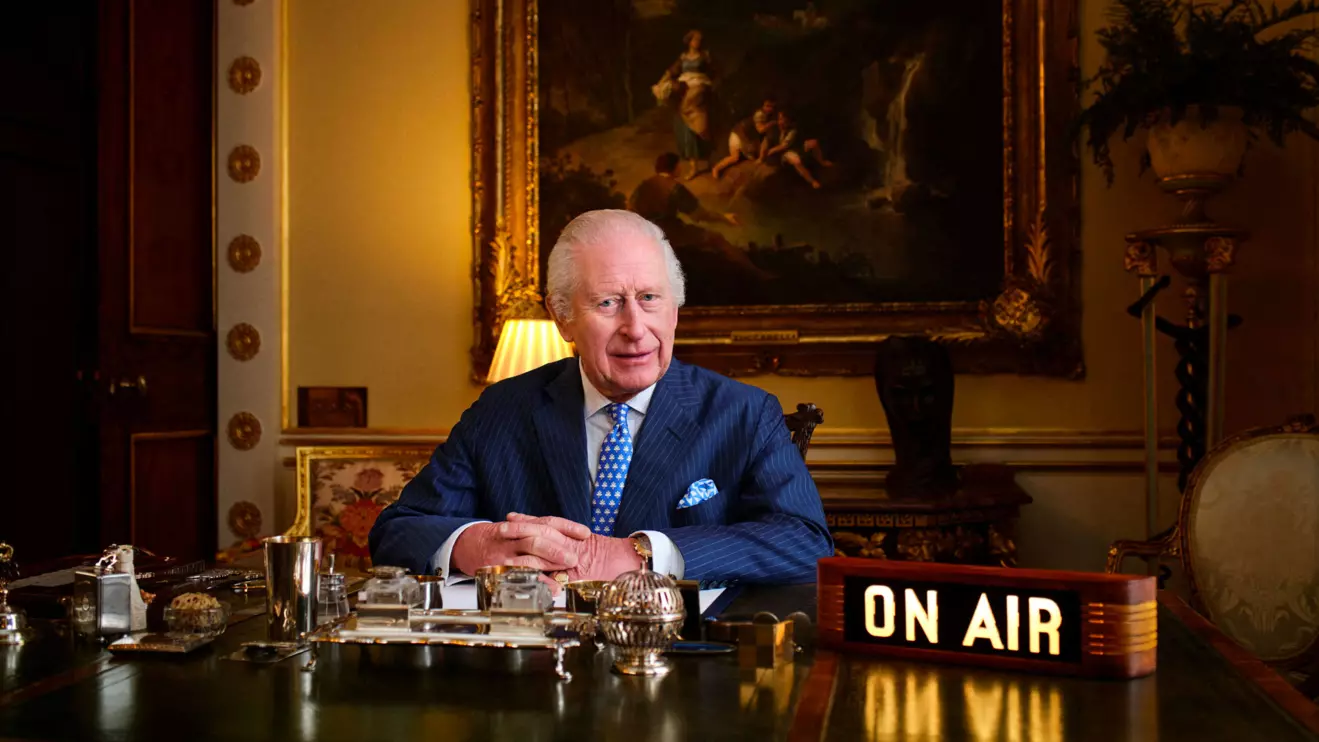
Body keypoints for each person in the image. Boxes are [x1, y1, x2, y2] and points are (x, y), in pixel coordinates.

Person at [368, 209, 832, 587]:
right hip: (536, 672)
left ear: (675, 309)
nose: (635, 328)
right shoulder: (502, 411)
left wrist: (641, 554)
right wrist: (477, 544)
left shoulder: (744, 414)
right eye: (608, 303)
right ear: (562, 317)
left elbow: (805, 541)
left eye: (650, 298)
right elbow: (398, 529)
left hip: (684, 666)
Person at [653, 30, 716, 180]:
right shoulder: (683, 57)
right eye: (695, 40)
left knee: (701, 127)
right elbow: (672, 71)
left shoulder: (705, 56)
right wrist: (661, 81)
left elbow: (715, 73)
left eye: (700, 40)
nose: (697, 42)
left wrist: (709, 86)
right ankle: (693, 167)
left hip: (700, 90)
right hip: (685, 89)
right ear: (689, 41)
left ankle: (708, 161)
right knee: (686, 129)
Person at [711, 97, 778, 180]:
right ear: (763, 105)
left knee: (750, 156)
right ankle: (716, 168)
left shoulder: (768, 115)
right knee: (735, 157)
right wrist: (772, 123)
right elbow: (760, 130)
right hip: (738, 135)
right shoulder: (759, 114)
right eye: (767, 106)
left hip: (745, 137)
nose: (769, 109)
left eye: (772, 107)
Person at [765, 110, 833, 189]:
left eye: (784, 119)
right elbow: (779, 146)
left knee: (813, 142)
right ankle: (812, 181)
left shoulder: (792, 130)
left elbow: (786, 145)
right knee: (796, 160)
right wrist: (770, 151)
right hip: (784, 153)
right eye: (780, 119)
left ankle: (822, 162)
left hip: (792, 148)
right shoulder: (774, 129)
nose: (782, 121)